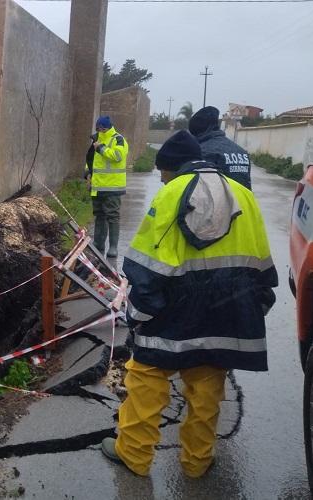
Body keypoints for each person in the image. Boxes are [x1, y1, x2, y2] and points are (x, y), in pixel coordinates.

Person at [100, 130, 278, 478]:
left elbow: (147, 267)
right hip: (230, 310)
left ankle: (134, 455)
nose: (161, 177)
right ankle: (197, 462)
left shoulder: (169, 196)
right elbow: (262, 265)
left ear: (171, 168)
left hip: (174, 308)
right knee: (208, 384)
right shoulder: (243, 195)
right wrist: (253, 307)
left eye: (161, 171)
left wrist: (138, 316)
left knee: (147, 379)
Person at [84, 115, 128, 259]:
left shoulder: (118, 139)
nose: (101, 130)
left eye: (103, 127)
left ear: (109, 127)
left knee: (113, 216)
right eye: (99, 128)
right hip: (97, 185)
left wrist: (101, 148)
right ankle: (99, 245)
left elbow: (117, 155)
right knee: (99, 216)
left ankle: (113, 247)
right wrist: (87, 174)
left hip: (112, 186)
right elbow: (90, 160)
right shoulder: (95, 140)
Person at [189, 106, 253, 190]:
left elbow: (198, 190)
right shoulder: (241, 152)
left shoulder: (202, 151)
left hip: (219, 202)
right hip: (244, 202)